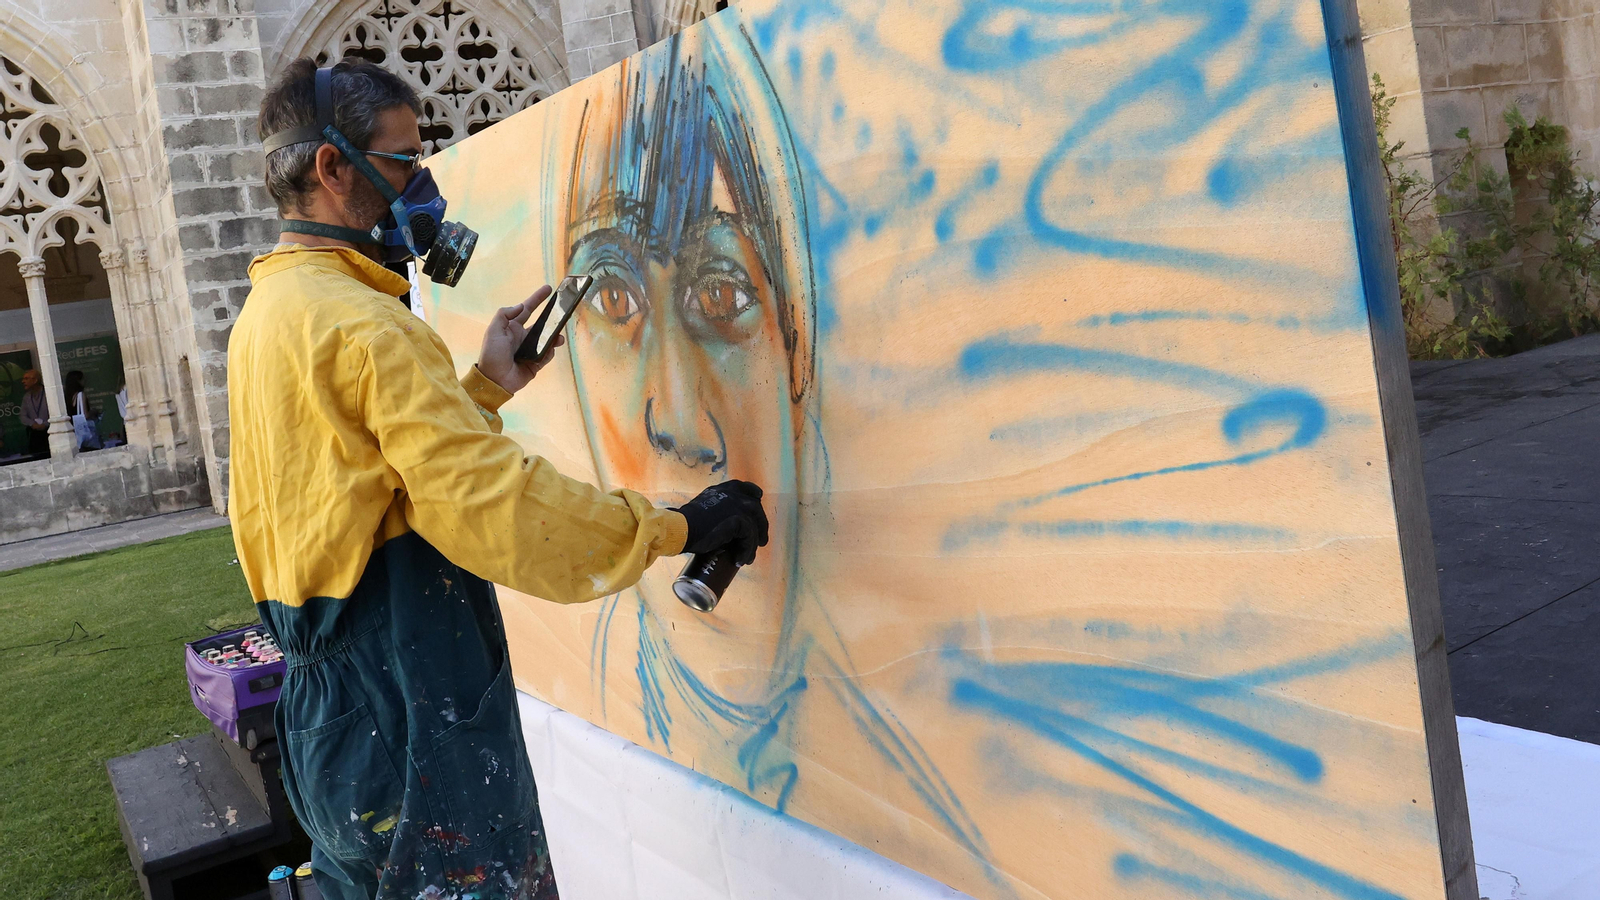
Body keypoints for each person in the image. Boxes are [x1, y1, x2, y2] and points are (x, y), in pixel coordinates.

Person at [232, 58, 769, 900]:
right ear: (332, 168)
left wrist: (483, 389)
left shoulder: (274, 312)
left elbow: (376, 490)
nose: (423, 185)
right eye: (405, 161)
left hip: (331, 714)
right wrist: (683, 529)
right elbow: (499, 511)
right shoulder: (368, 327)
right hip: (404, 699)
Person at [19, 368, 48, 459]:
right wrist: (32, 424)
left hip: (50, 431)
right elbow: (22, 416)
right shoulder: (27, 397)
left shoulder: (48, 393)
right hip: (35, 435)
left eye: (26, 378)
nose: (23, 381)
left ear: (35, 380)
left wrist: (45, 424)